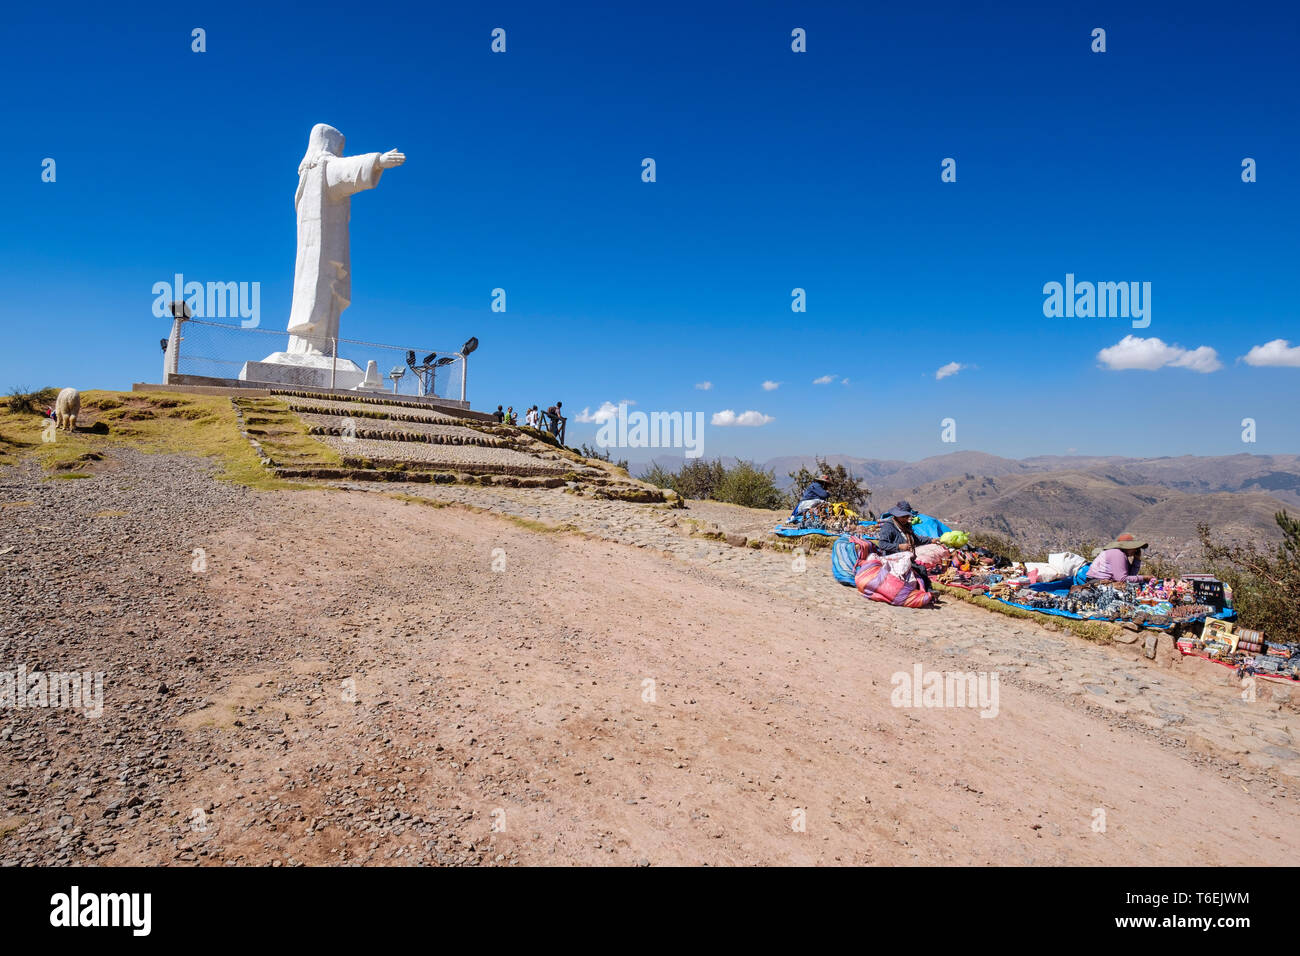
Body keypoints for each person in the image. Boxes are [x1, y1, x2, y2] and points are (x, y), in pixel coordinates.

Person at [1086, 533, 1152, 583]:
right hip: (1097, 582)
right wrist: (1144, 578)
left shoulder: (1122, 554)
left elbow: (1130, 575)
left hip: (1101, 581)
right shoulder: (1117, 553)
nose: (1136, 550)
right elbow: (1122, 579)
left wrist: (1136, 560)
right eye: (1135, 548)